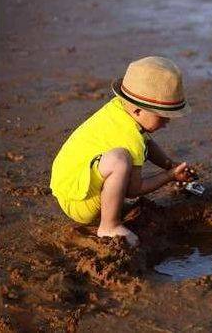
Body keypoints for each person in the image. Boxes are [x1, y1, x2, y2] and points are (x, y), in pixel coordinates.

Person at [50, 56, 196, 246]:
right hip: (78, 201)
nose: (167, 122)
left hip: (70, 184)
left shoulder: (120, 110)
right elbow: (135, 190)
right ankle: (109, 226)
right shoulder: (130, 137)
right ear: (137, 110)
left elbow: (147, 145)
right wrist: (169, 175)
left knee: (120, 158)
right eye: (163, 117)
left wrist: (170, 164)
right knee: (119, 160)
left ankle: (110, 205)